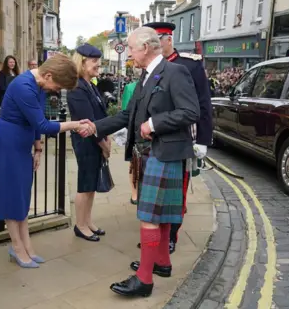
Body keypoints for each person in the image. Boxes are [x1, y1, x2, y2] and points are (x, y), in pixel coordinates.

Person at [79, 27, 200, 298]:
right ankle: (161, 263)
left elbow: (191, 111)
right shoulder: (147, 76)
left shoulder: (175, 72)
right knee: (161, 215)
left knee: (148, 217)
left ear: (145, 48)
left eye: (132, 49)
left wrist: (154, 123)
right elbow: (126, 115)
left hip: (165, 152)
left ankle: (144, 280)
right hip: (151, 153)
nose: (130, 55)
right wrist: (94, 127)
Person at [0, 53, 85, 269]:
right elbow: (43, 125)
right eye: (57, 85)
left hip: (21, 142)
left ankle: (26, 245)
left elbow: (35, 121)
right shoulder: (23, 86)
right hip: (7, 144)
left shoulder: (37, 85)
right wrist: (74, 124)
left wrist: (38, 147)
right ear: (48, 75)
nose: (55, 90)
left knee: (22, 194)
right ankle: (18, 247)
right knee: (12, 195)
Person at [143, 22, 212, 254]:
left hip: (180, 137)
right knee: (154, 193)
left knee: (176, 193)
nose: (152, 45)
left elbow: (202, 103)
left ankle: (170, 235)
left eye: (156, 39)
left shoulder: (188, 66)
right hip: (154, 139)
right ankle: (157, 237)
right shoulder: (150, 66)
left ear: (168, 39)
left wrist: (203, 138)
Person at [67, 44, 110, 242]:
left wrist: (106, 138)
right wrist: (104, 145)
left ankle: (88, 221)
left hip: (96, 140)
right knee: (85, 184)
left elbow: (100, 115)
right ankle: (80, 225)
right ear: (82, 63)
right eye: (94, 62)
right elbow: (88, 121)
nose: (98, 65)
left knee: (91, 183)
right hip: (86, 142)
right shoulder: (76, 87)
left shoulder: (90, 85)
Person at [121, 66, 142, 205]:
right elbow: (125, 112)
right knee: (134, 163)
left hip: (148, 131)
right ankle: (135, 193)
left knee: (138, 164)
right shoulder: (130, 88)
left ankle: (138, 194)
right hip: (135, 132)